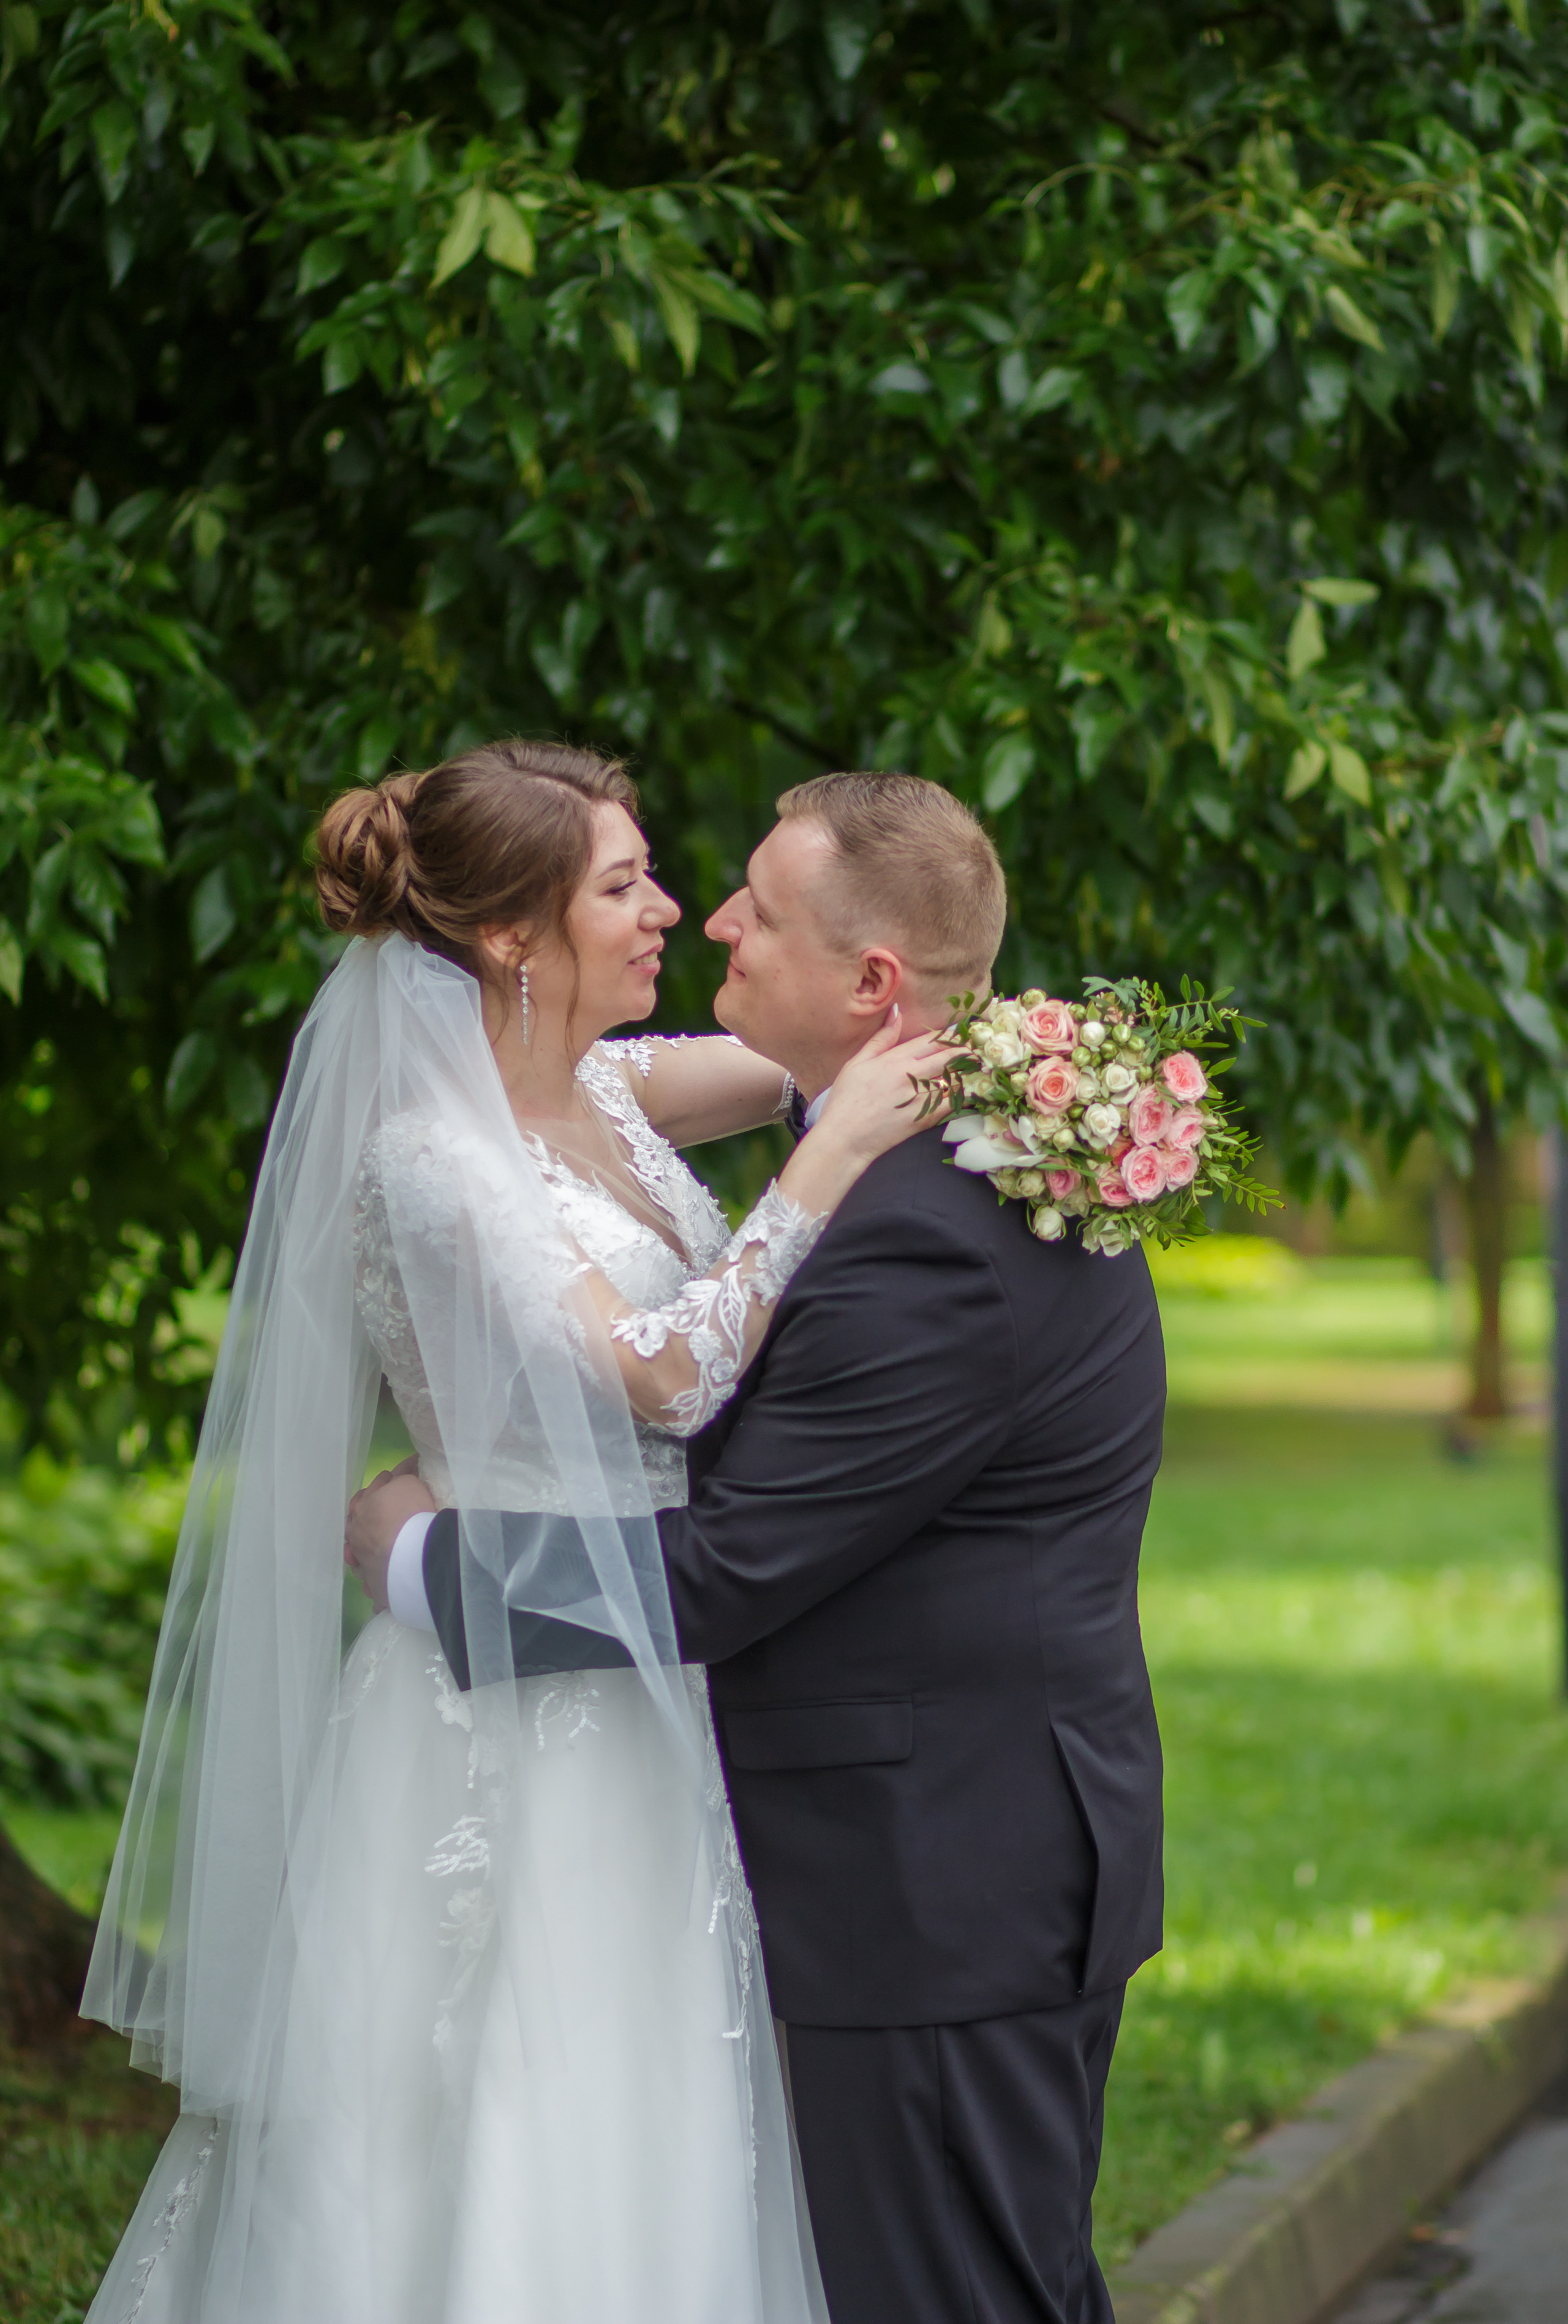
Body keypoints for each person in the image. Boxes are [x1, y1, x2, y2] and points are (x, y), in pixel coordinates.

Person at [80, 739, 947, 2324]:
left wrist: (1036, 1055)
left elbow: (839, 1038)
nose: (671, 911)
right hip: (499, 1689)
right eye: (623, 885)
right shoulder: (433, 1158)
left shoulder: (614, 1088)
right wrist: (823, 1157)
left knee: (648, 2095)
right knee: (486, 2115)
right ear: (508, 938)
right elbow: (670, 1377)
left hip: (653, 1668)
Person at [349, 769, 1168, 2324]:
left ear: (867, 985)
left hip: (930, 1875)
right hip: (871, 1829)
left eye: (748, 905)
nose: (700, 915)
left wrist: (413, 1560)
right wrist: (898, 1081)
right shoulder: (931, 1153)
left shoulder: (919, 1231)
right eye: (638, 883)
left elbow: (715, 1563)